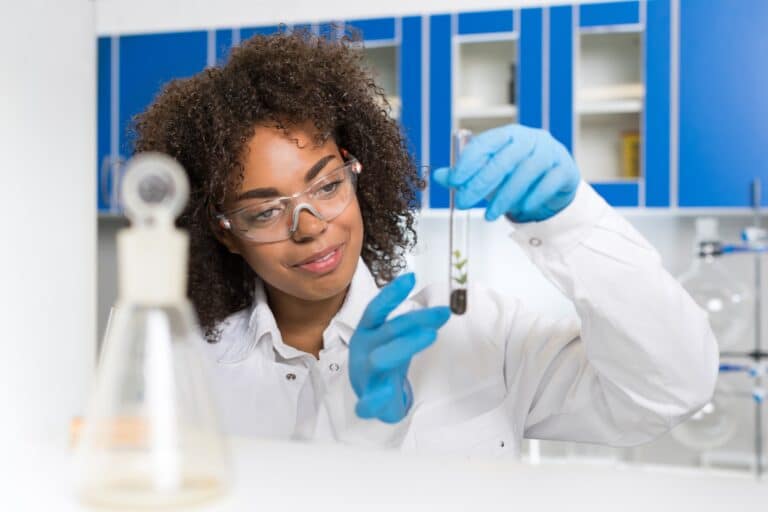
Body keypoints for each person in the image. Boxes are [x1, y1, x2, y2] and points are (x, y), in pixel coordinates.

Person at [133, 29, 718, 455]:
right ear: (224, 234)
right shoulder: (191, 367)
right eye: (264, 210)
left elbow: (670, 390)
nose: (309, 226)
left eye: (327, 185)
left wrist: (570, 220)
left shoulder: (475, 329)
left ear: (358, 173)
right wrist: (364, 425)